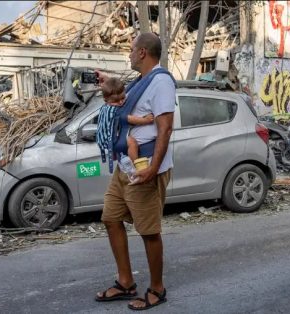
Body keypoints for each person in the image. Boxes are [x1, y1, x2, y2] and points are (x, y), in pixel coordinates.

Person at [94, 32, 176, 311]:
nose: (128, 54)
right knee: (110, 218)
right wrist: (107, 81)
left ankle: (157, 288)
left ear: (142, 52)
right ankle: (126, 282)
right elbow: (121, 102)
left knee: (148, 230)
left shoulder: (161, 82)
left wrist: (153, 168)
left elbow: (165, 127)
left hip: (144, 169)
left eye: (131, 50)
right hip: (124, 167)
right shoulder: (140, 82)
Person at [96, 77, 154, 174]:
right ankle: (135, 165)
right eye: (116, 101)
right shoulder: (115, 110)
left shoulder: (104, 107)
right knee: (132, 143)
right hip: (111, 140)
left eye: (123, 98)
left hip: (104, 139)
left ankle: (124, 159)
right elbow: (129, 118)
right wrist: (145, 120)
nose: (120, 102)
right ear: (105, 100)